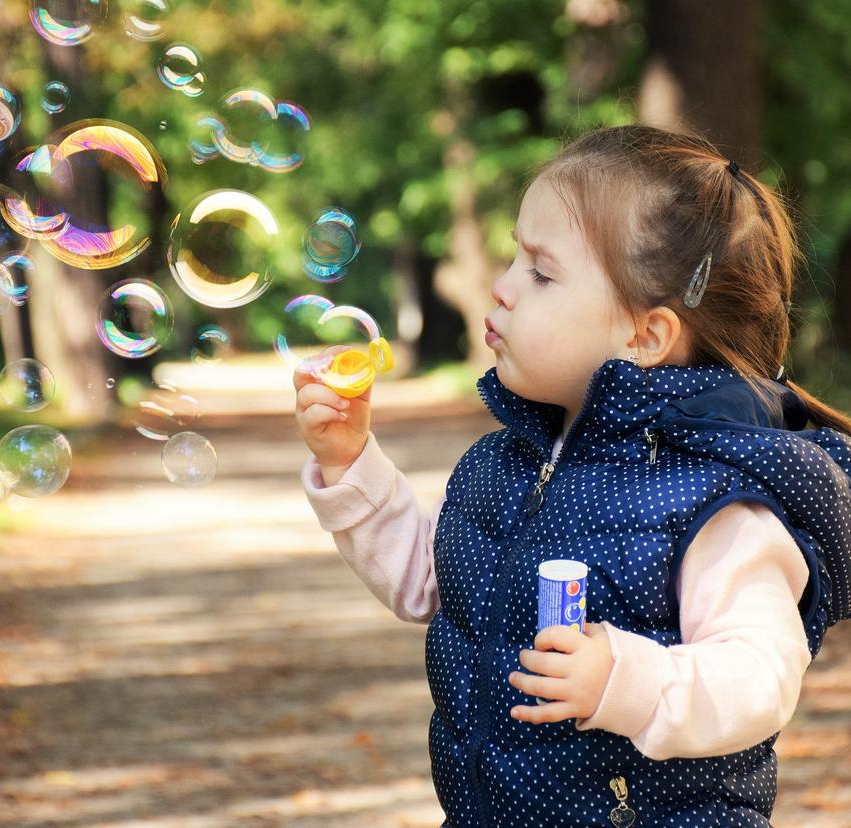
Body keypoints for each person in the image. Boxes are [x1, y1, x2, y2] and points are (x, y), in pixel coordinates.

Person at [293, 123, 851, 827]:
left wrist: (626, 679)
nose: (500, 287)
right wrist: (350, 463)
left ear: (644, 336)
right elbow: (433, 583)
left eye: (540, 271)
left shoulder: (715, 501)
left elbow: (760, 676)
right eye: (513, 259)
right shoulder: (507, 463)